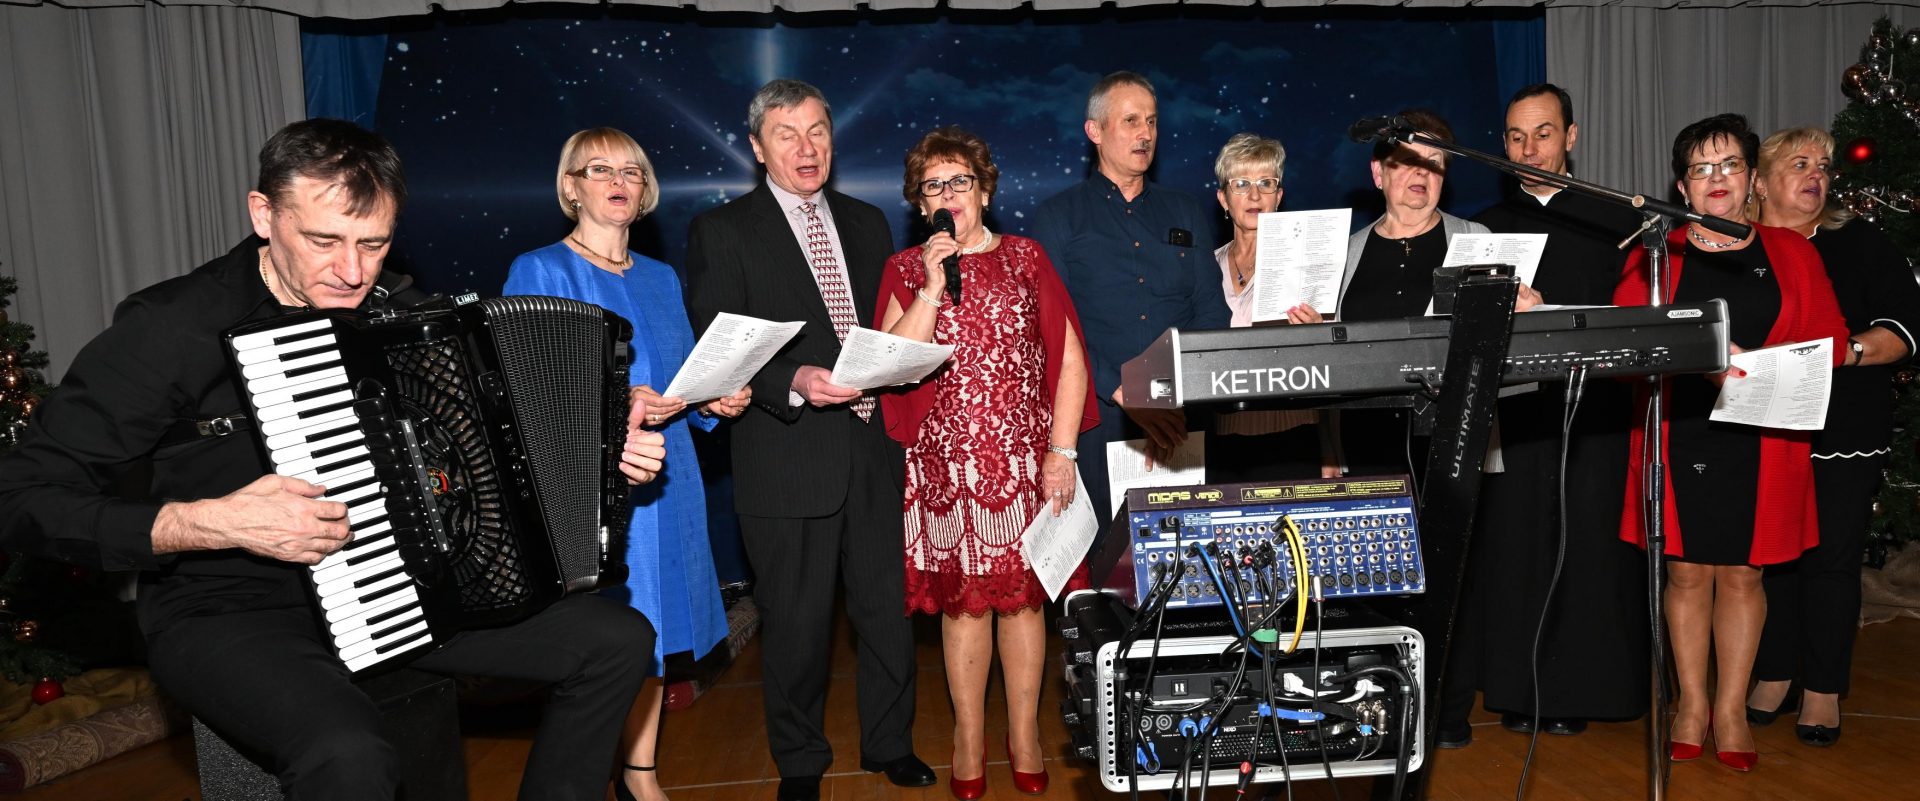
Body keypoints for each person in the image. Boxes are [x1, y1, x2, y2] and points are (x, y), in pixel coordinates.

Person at [0, 119, 664, 800]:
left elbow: (500, 438)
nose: (352, 272)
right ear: (264, 215)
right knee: (346, 753)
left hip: (397, 588)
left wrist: (603, 441)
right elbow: (21, 497)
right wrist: (207, 521)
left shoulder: (402, 313)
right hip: (231, 609)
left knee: (618, 641)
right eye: (324, 241)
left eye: (373, 244)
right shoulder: (171, 328)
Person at [682, 79, 931, 801]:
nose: (806, 147)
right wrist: (793, 379)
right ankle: (799, 761)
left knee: (885, 612)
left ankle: (891, 743)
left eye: (818, 130)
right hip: (785, 455)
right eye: (786, 134)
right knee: (794, 626)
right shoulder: (722, 231)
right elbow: (717, 340)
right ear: (758, 148)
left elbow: (885, 329)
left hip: (873, 449)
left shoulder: (867, 222)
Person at [503, 127, 750, 801]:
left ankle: (640, 773)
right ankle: (588, 776)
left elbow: (680, 383)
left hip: (671, 478)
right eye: (600, 169)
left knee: (659, 634)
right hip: (595, 487)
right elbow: (526, 394)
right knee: (611, 638)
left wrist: (713, 400)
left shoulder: (661, 277)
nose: (619, 181)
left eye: (632, 171)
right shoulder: (541, 270)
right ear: (571, 186)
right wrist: (619, 402)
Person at [1613, 113, 1849, 773]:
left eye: (1729, 165)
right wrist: (1701, 357)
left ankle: (1732, 711)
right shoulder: (1656, 254)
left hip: (1763, 431)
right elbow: (1624, 345)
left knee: (1745, 573)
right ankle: (1690, 706)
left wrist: (1764, 363)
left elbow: (1832, 341)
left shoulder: (1793, 252)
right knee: (1686, 572)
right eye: (1700, 168)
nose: (1715, 178)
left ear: (1750, 179)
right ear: (1682, 186)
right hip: (1678, 427)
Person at [875, 126, 1098, 800]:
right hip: (945, 473)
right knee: (965, 610)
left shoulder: (1027, 257)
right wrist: (931, 286)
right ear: (921, 204)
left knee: (1024, 605)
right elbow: (889, 364)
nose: (948, 194)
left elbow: (1070, 360)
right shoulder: (905, 268)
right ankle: (968, 738)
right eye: (934, 186)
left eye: (960, 181)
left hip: (1026, 465)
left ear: (984, 191)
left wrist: (1062, 450)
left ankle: (1024, 737)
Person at [1450, 84, 1649, 744]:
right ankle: (1516, 690)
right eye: (1515, 136)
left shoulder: (1617, 220)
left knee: (1588, 549)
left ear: (1571, 136)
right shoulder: (1483, 229)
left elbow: (1634, 318)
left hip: (1595, 412)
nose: (1528, 148)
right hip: (1512, 414)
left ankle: (1582, 689)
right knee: (1513, 550)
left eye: (1542, 133)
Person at [1746, 126, 1920, 748]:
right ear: (1759, 180)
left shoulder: (1858, 241)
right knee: (1767, 558)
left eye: (1823, 165)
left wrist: (1846, 352)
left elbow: (1907, 326)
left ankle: (1822, 687)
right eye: (1799, 163)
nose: (1816, 174)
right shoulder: (1738, 243)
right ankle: (1774, 673)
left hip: (1845, 424)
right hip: (1757, 426)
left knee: (1831, 559)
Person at [1032, 71, 1228, 539]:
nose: (1146, 133)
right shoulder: (1057, 217)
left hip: (1182, 418)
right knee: (1106, 564)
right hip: (1100, 418)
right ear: (1095, 131)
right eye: (1131, 121)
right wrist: (1125, 391)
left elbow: (1211, 310)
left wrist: (1172, 392)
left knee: (1192, 558)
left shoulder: (1185, 210)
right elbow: (1053, 328)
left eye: (1152, 122)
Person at [1331, 108, 1539, 478]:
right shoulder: (1343, 255)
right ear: (1378, 173)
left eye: (1434, 162)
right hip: (1366, 440)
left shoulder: (1478, 240)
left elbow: (1503, 350)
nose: (1422, 172)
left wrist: (1530, 315)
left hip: (1455, 439)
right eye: (1408, 160)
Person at [1205, 132, 1335, 482]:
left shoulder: (1306, 262)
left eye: (1266, 183)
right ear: (1223, 198)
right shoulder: (1205, 266)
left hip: (1293, 436)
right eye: (1241, 184)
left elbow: (1333, 369)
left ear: (1278, 196)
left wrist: (1318, 335)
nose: (1254, 195)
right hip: (1220, 440)